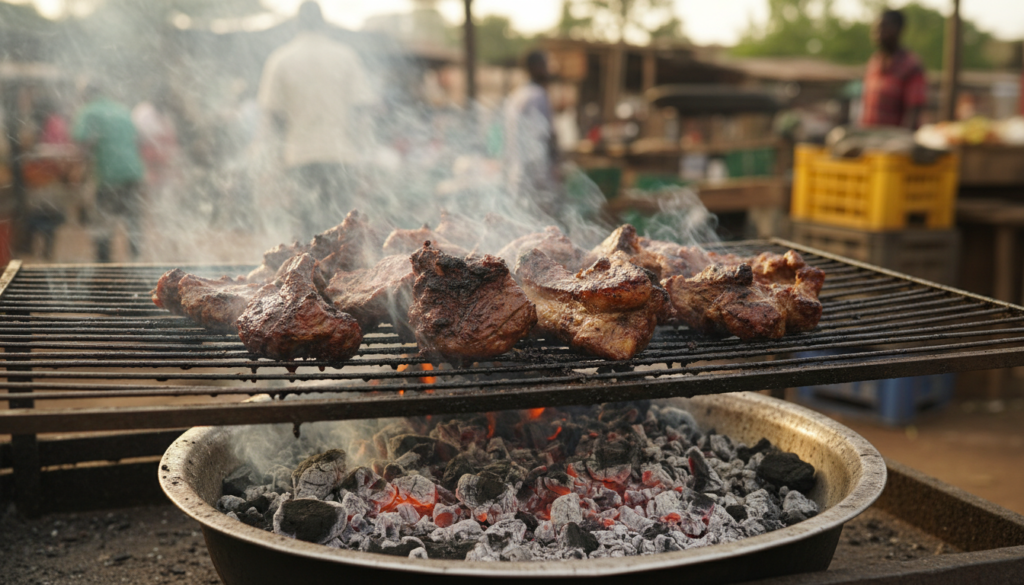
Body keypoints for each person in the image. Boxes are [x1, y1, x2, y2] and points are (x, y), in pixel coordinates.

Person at [257, 0, 375, 237]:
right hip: (340, 156)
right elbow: (362, 113)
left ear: (297, 24)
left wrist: (271, 165)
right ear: (324, 23)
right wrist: (364, 157)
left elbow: (271, 119)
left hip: (299, 158)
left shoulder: (280, 59)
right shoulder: (346, 57)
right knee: (342, 232)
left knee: (307, 231)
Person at [72, 82, 145, 262]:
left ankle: (104, 265)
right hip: (133, 171)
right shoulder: (121, 109)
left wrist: (79, 171)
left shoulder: (89, 111)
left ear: (86, 95)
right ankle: (136, 261)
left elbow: (80, 139)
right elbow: (137, 138)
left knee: (103, 223)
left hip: (109, 174)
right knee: (132, 220)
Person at [504, 50, 562, 220]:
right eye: (545, 65)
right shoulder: (538, 95)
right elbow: (544, 135)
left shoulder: (517, 94)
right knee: (541, 225)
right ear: (536, 67)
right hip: (537, 174)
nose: (548, 70)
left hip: (517, 172)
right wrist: (556, 164)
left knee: (521, 221)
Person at [860, 9, 927, 129]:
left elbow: (914, 112)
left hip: (894, 143)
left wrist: (902, 142)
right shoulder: (874, 62)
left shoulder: (911, 66)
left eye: (883, 28)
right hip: (869, 140)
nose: (877, 33)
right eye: (876, 29)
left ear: (899, 29)